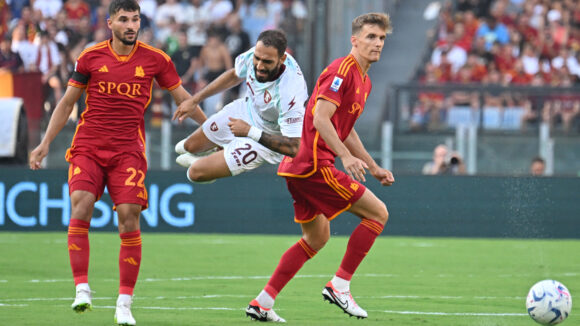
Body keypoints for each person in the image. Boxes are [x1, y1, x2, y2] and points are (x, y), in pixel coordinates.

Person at [28, 0, 207, 325]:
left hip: (128, 151)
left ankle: (124, 304)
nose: (131, 25)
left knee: (129, 217)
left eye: (135, 19)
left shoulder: (156, 60)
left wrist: (211, 131)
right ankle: (82, 289)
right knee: (80, 205)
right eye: (124, 19)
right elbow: (67, 101)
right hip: (89, 146)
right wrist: (44, 143)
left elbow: (184, 98)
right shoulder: (90, 57)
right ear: (110, 23)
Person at [245, 13, 394, 322]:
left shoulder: (364, 81)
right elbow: (321, 119)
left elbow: (345, 128)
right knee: (378, 214)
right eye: (370, 37)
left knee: (316, 239)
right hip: (313, 164)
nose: (377, 43)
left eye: (381, 38)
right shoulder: (341, 71)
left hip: (297, 167)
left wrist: (372, 165)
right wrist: (345, 157)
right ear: (354, 40)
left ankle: (263, 302)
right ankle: (340, 285)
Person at [172, 29, 308, 184]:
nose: (260, 66)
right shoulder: (257, 53)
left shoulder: (289, 92)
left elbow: (294, 148)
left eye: (267, 62)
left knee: (194, 173)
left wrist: (250, 132)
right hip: (245, 111)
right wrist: (195, 100)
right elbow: (234, 75)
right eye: (258, 58)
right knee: (188, 147)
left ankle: (212, 161)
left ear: (281, 59)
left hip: (264, 139)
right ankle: (219, 150)